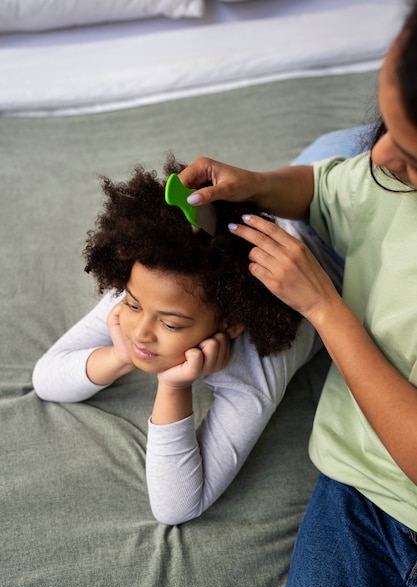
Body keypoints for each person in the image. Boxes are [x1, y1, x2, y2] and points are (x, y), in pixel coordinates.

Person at [178, 3, 417, 587]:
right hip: (362, 498)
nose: (385, 158)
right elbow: (333, 187)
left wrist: (324, 309)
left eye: (415, 159)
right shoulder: (386, 171)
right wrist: (256, 183)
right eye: (386, 124)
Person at [32, 154, 342, 526]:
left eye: (172, 325)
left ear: (231, 324)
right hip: (311, 173)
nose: (141, 331)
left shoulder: (257, 367)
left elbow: (176, 506)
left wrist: (173, 386)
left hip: (342, 228)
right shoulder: (152, 284)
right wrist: (121, 354)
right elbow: (45, 379)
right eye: (131, 304)